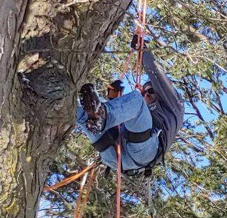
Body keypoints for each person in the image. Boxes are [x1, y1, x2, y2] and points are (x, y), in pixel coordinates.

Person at [76, 37, 183, 176]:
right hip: (114, 153)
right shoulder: (143, 116)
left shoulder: (173, 105)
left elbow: (156, 74)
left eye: (150, 91)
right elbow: (118, 126)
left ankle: (102, 114)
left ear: (160, 93)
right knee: (77, 111)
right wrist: (113, 99)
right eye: (144, 92)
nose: (146, 95)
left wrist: (143, 50)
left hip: (143, 153)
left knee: (137, 102)